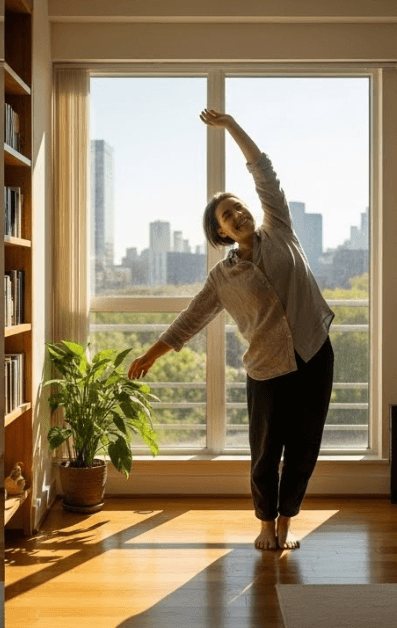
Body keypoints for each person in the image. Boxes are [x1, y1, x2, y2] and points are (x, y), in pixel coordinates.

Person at [128, 109, 335, 551]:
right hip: (267, 369)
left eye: (238, 206)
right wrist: (150, 355)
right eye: (228, 214)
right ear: (220, 232)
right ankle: (264, 522)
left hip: (315, 354)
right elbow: (190, 319)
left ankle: (286, 520)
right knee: (265, 455)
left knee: (304, 447)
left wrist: (231, 126)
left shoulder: (279, 229)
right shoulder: (223, 279)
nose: (238, 213)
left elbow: (264, 171)